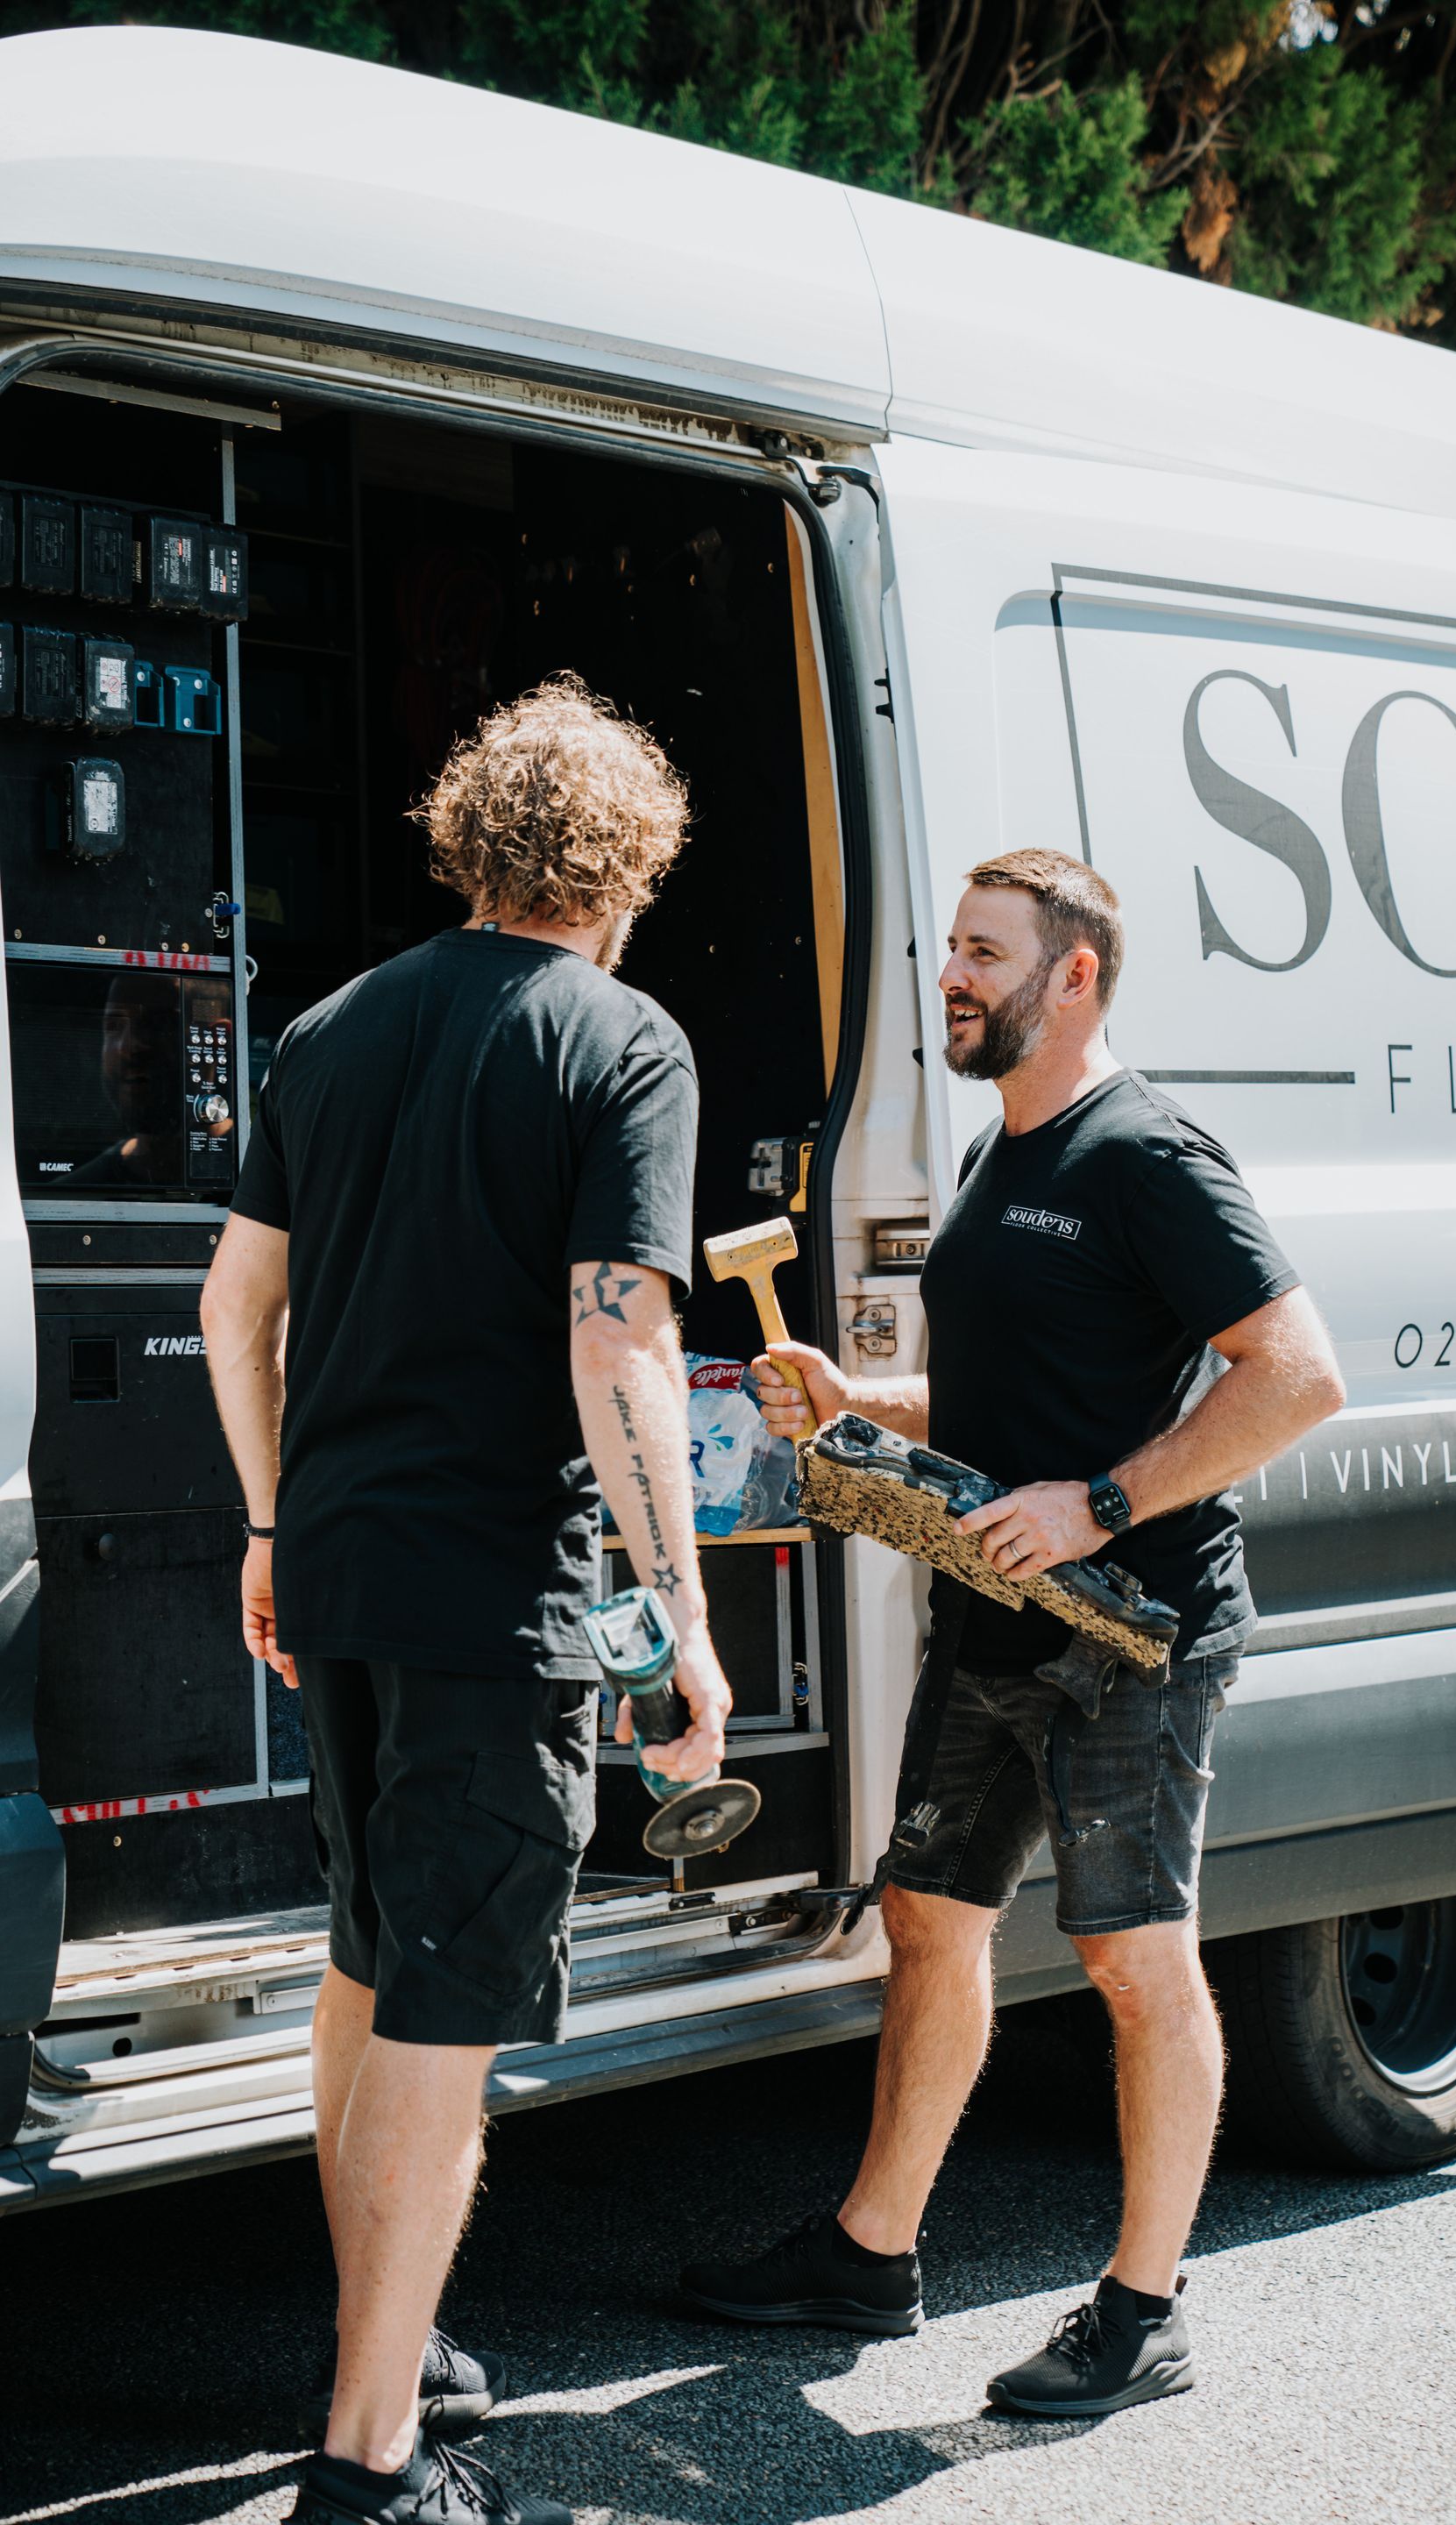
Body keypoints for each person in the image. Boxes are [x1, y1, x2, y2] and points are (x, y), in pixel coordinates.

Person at [678, 846, 1344, 2418]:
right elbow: (992, 1408)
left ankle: (1145, 2308)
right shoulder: (1003, 1154)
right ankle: (871, 2250)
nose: (954, 977)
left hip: (1130, 1623)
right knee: (928, 1915)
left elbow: (1298, 1377)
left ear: (1077, 974)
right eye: (954, 951)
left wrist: (1097, 1507)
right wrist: (864, 1401)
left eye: (984, 952)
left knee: (1131, 1953)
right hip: (994, 1607)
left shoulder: (1148, 1156)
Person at [202, 674, 731, 2525]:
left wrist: (273, 1529)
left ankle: (391, 2344)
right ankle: (369, 2466)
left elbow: (230, 1312)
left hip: (336, 1575)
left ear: (474, 843)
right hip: (495, 1592)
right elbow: (622, 1349)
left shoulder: (330, 1028)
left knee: (368, 1957)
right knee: (446, 2010)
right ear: (627, 866)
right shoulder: (625, 1045)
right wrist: (682, 1616)